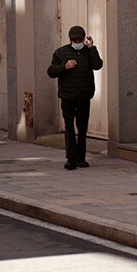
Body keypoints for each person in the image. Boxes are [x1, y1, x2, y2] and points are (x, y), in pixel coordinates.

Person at [47, 26, 103, 170]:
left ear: (84, 39)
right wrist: (64, 67)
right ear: (70, 39)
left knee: (82, 128)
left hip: (84, 96)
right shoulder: (61, 52)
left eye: (79, 39)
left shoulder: (88, 52)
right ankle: (71, 159)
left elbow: (98, 65)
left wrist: (92, 48)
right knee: (69, 127)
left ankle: (81, 158)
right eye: (74, 40)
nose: (77, 42)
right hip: (67, 97)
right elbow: (51, 71)